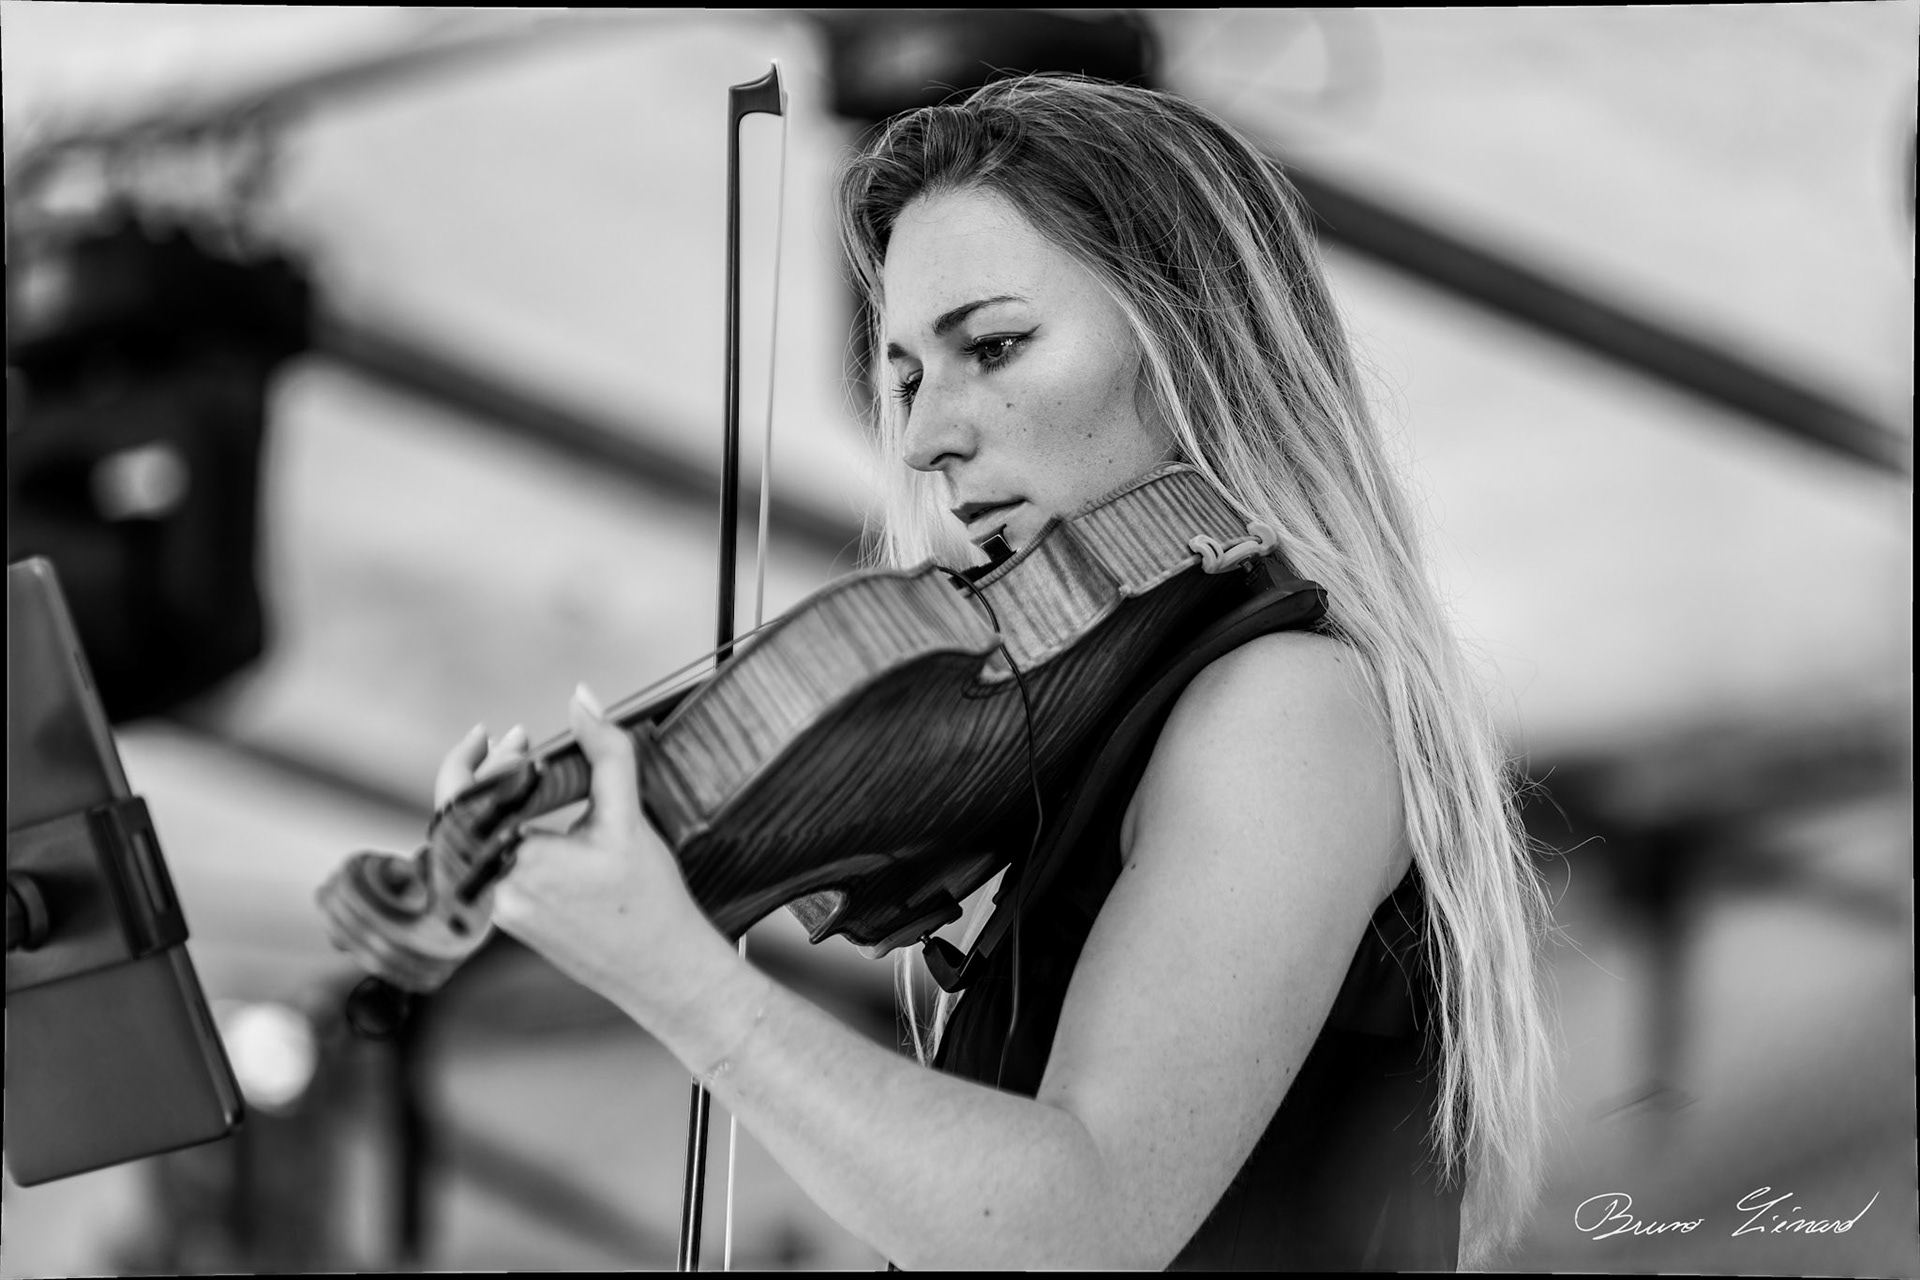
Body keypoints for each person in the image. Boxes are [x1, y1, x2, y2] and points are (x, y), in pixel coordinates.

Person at [438, 75, 1555, 1270]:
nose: (923, 437)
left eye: (997, 344)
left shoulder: (1287, 705)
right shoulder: (1133, 716)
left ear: (1188, 338)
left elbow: (1079, 1222)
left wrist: (687, 984)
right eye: (911, 372)